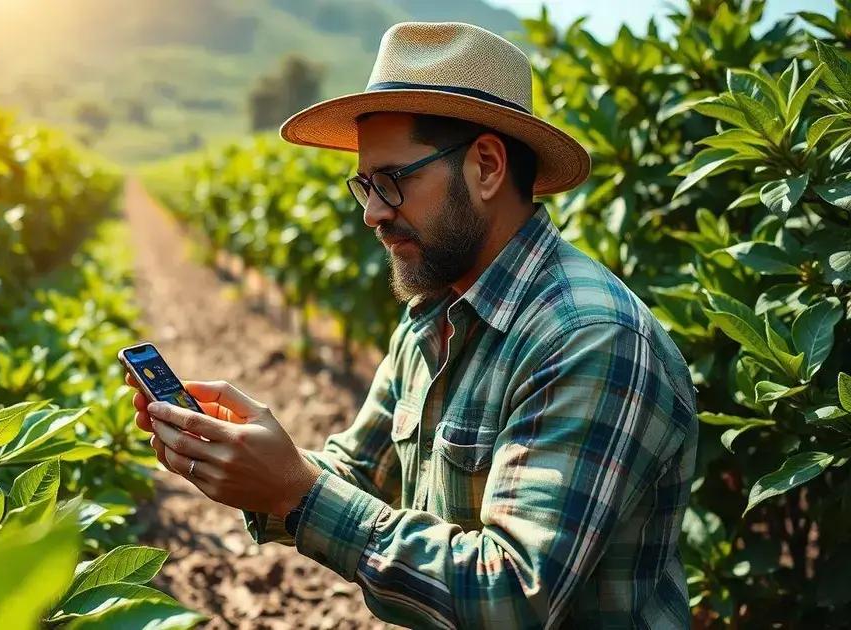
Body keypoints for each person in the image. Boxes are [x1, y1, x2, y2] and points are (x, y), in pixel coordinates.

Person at [128, 21, 697, 629]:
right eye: (365, 185)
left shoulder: (589, 337)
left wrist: (294, 491)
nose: (372, 213)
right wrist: (248, 459)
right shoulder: (433, 314)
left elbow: (513, 596)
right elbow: (360, 471)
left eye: (393, 181)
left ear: (485, 167)